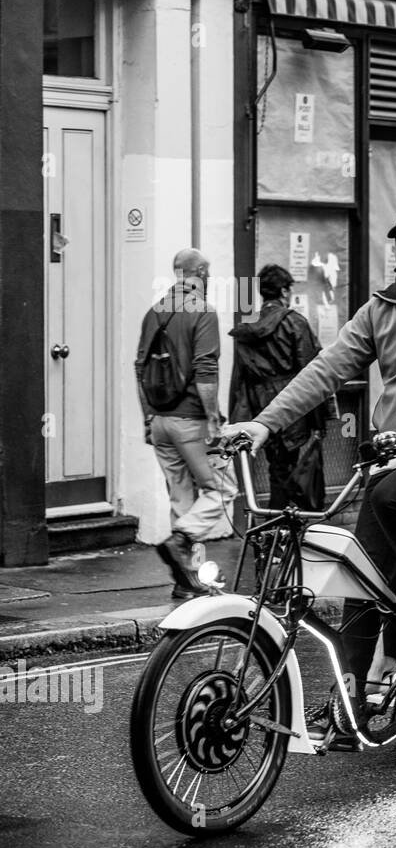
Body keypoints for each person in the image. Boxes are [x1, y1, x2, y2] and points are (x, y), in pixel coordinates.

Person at [222, 208, 396, 701]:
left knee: (394, 498)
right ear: (393, 252)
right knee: (361, 578)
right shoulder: (381, 309)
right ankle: (350, 698)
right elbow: (325, 369)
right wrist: (264, 423)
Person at [136, 248, 231, 599]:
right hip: (191, 420)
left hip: (160, 421)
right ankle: (181, 542)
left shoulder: (153, 311)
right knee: (221, 490)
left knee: (182, 499)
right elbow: (206, 368)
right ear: (201, 273)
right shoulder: (203, 311)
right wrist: (212, 421)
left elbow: (140, 367)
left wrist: (148, 418)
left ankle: (186, 580)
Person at [228, 264, 331, 510]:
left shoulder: (248, 328)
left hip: (260, 407)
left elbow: (239, 378)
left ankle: (276, 530)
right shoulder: (294, 323)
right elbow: (312, 372)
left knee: (278, 470)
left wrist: (237, 416)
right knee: (292, 471)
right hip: (292, 404)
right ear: (284, 291)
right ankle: (288, 529)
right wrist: (320, 421)